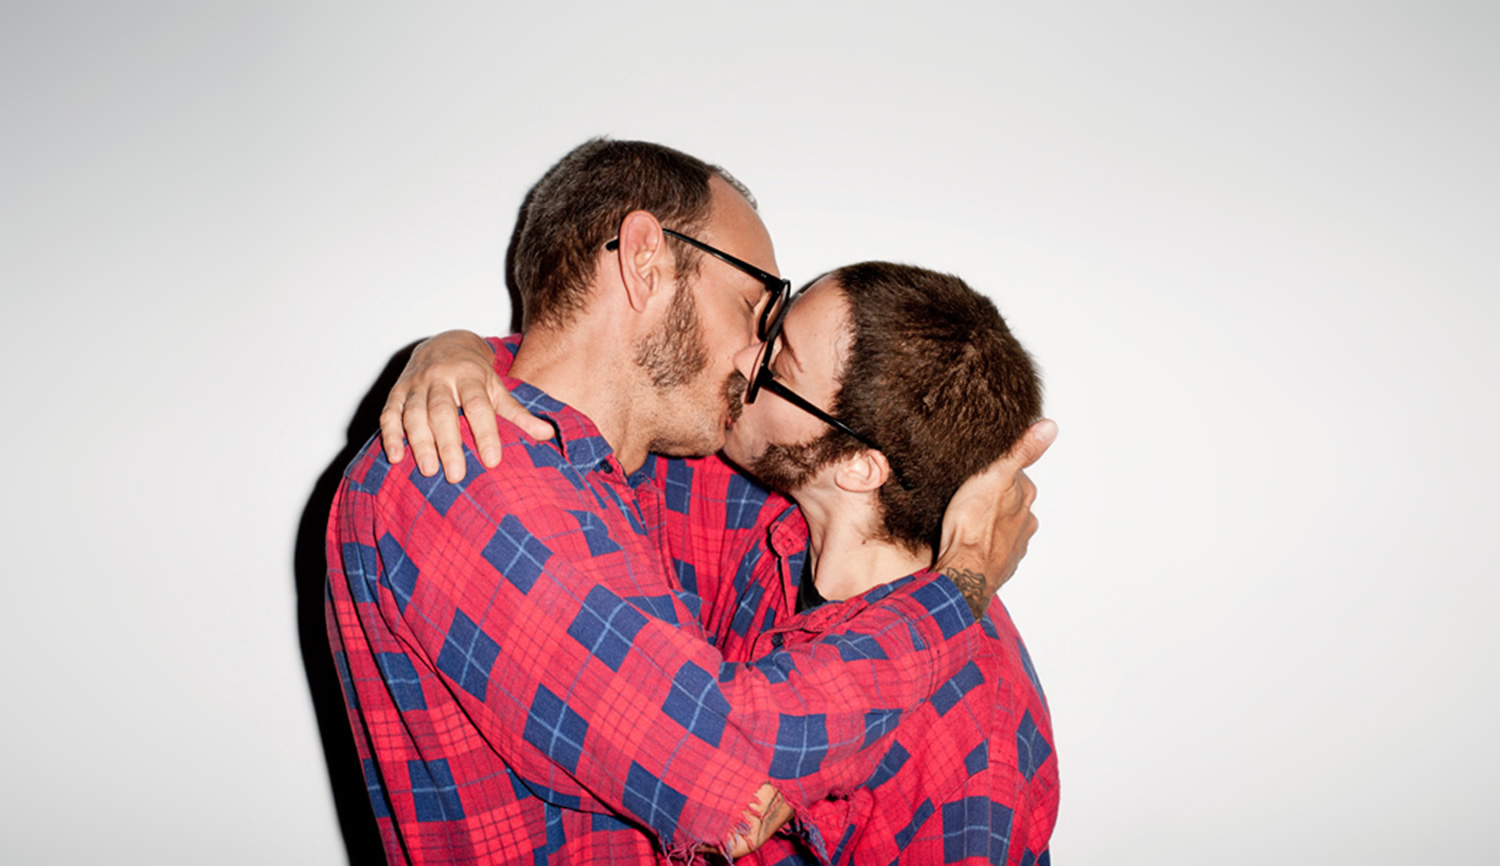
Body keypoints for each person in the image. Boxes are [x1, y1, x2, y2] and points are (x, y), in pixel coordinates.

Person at [327, 138, 1054, 863]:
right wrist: (961, 586)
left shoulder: (655, 477)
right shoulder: (468, 472)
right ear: (645, 259)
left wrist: (461, 350)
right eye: (751, 305)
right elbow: (735, 784)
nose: (753, 360)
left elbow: (863, 482)